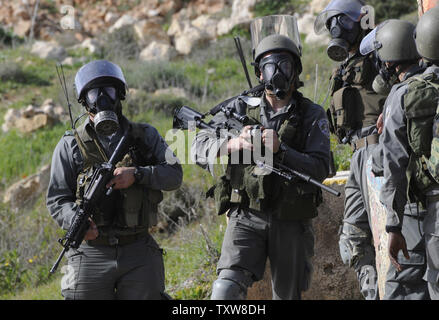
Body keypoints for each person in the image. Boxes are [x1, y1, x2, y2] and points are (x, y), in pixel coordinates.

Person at [191, 15, 330, 300]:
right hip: (245, 214)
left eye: (284, 64)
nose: (276, 72)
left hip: (291, 218)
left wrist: (282, 150)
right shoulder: (238, 107)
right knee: (224, 290)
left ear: (296, 69)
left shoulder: (311, 113)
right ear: (258, 72)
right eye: (269, 65)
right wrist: (231, 144)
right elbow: (194, 145)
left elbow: (321, 167)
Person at [46, 60, 183, 300]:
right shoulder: (70, 145)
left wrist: (138, 175)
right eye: (93, 93)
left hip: (138, 249)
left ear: (119, 94)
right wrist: (77, 221)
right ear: (83, 100)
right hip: (90, 252)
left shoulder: (144, 135)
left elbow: (174, 175)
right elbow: (57, 199)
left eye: (108, 91)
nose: (102, 99)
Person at [360, 16, 439, 300]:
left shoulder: (402, 93)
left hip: (430, 210)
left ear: (389, 61)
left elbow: (390, 164)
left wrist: (392, 226)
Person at [314, 0, 387, 300]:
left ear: (361, 21)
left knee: (391, 232)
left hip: (381, 152)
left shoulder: (381, 52)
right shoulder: (341, 70)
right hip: (358, 156)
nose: (336, 29)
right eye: (332, 23)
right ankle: (373, 294)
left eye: (343, 21)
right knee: (353, 240)